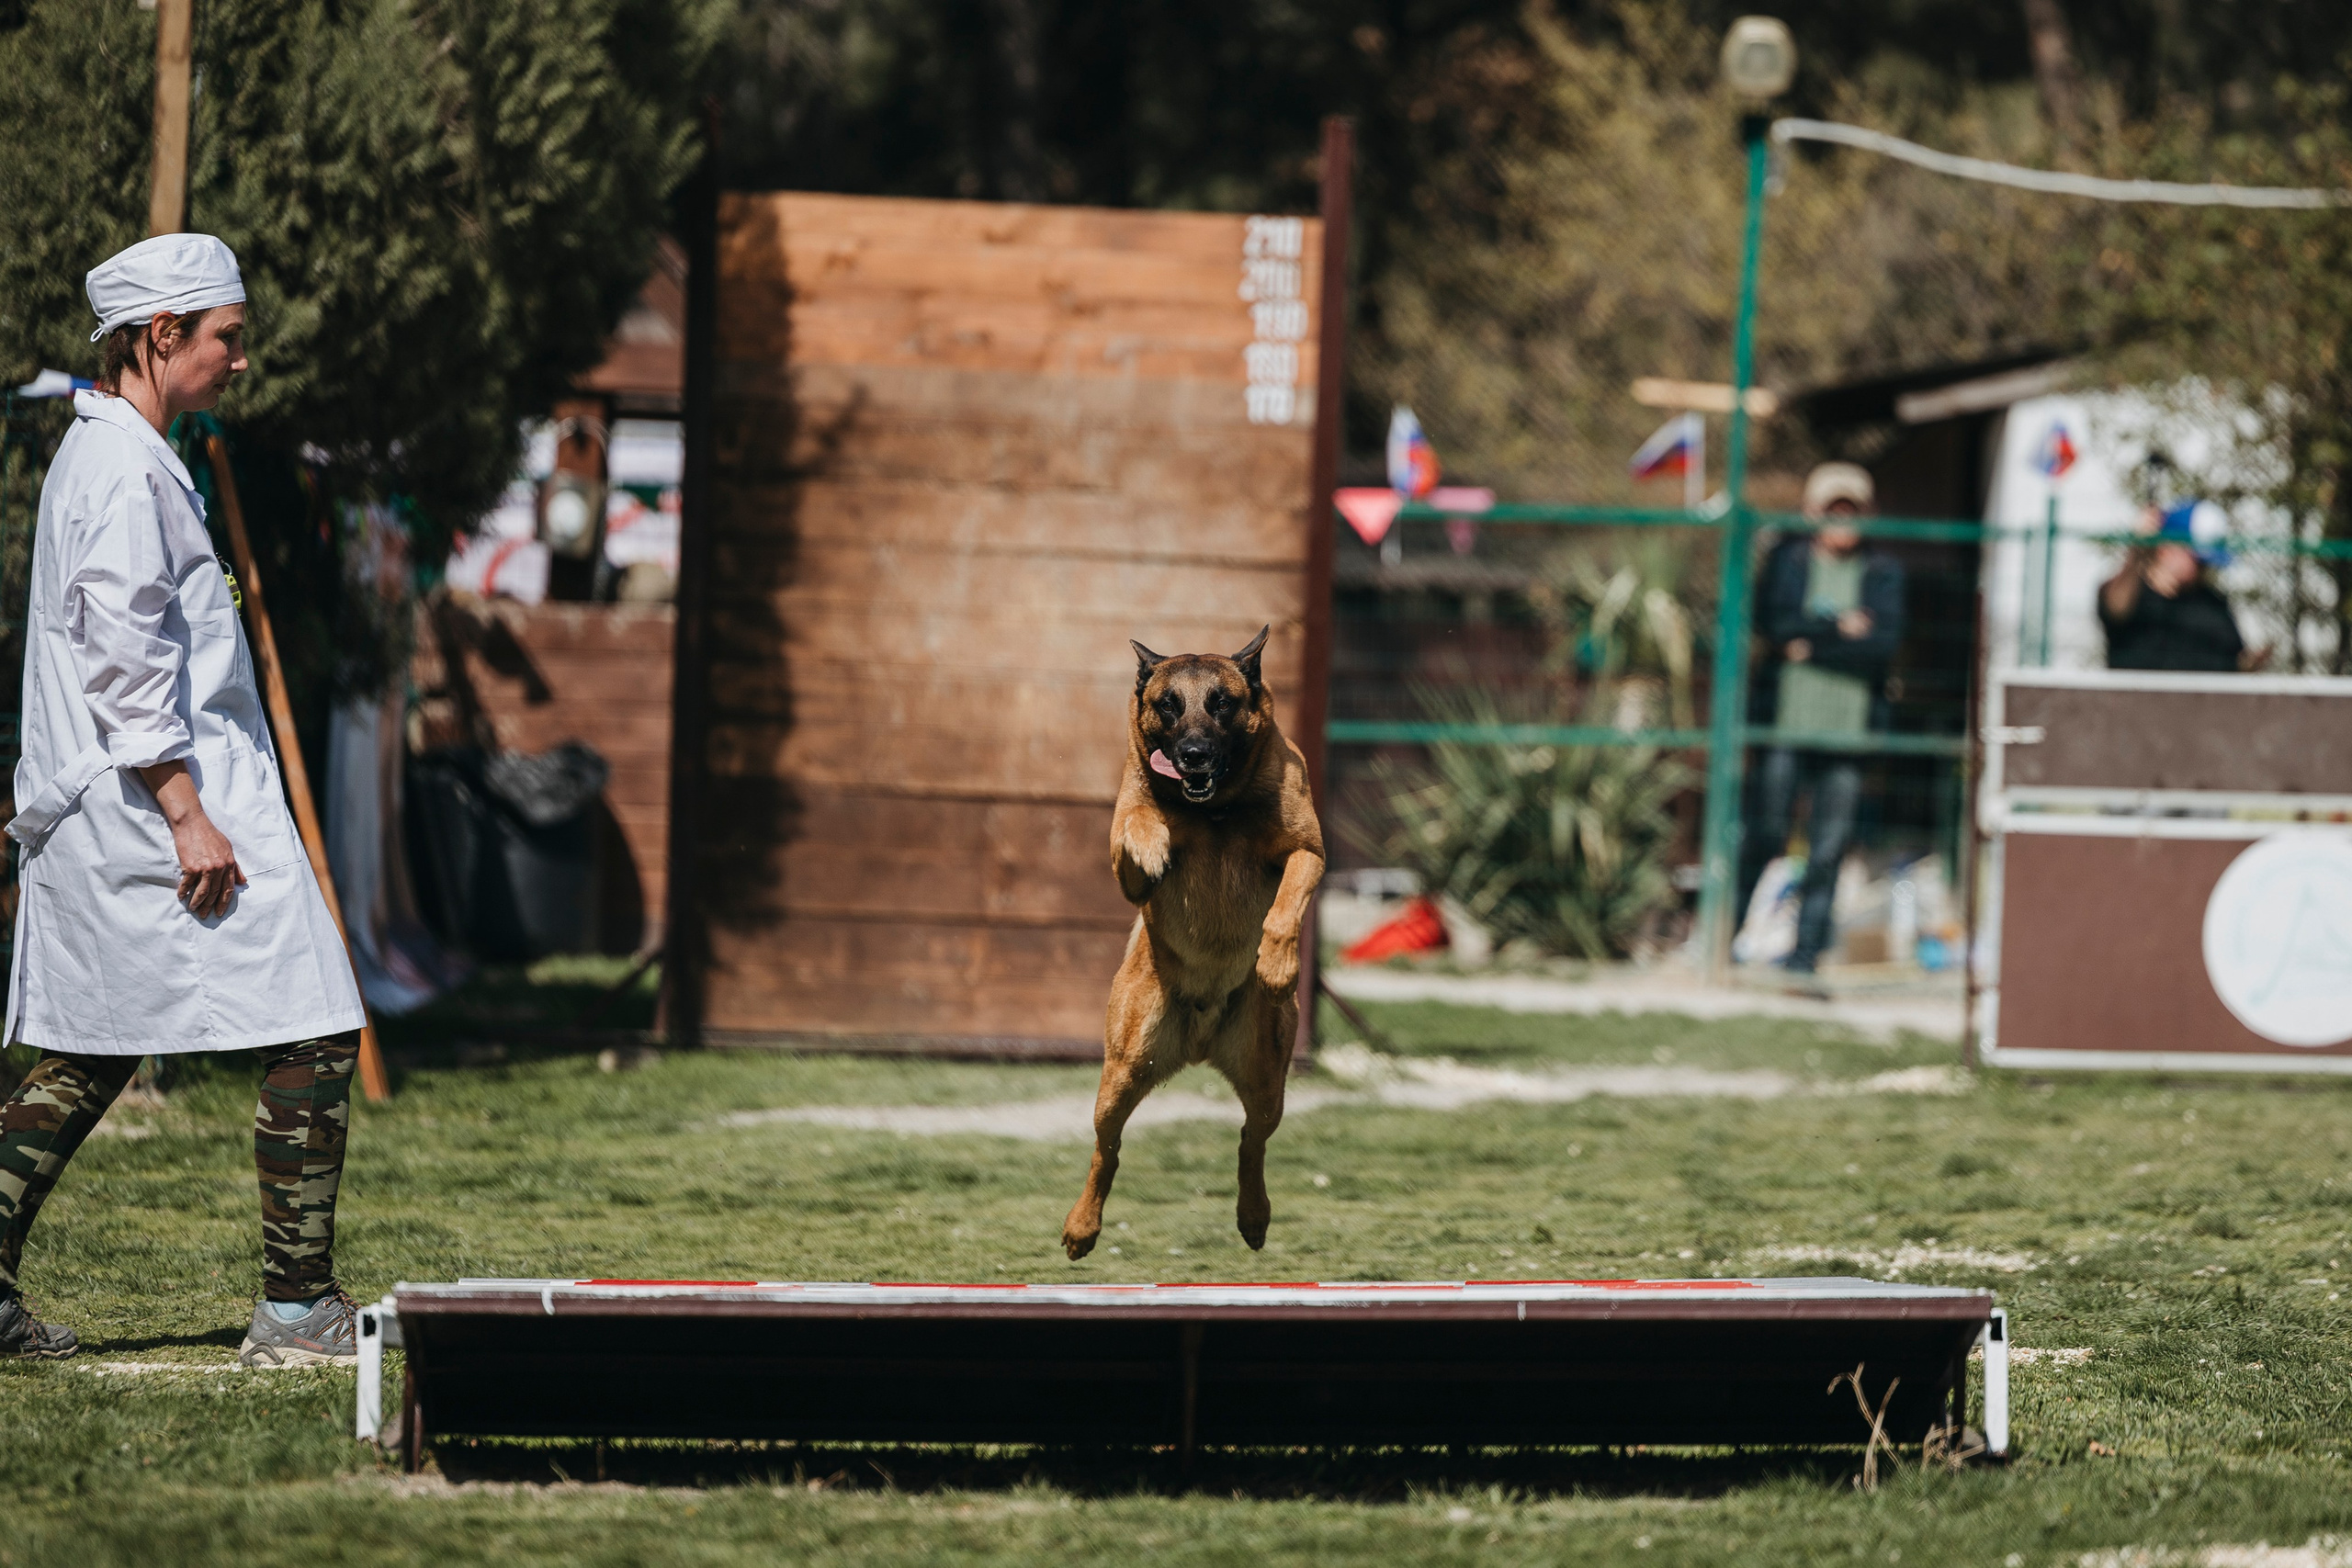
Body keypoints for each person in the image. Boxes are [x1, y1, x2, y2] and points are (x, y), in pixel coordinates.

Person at [0, 235, 368, 1365]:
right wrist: (186, 813)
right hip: (155, 809)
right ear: (162, 337)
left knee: (92, 1050)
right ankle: (296, 1309)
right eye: (226, 338)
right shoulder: (119, 470)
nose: (240, 360)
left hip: (136, 807)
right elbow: (121, 655)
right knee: (314, 1022)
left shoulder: (124, 454)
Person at [1735, 462, 1905, 986]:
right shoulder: (1786, 561)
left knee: (1828, 849)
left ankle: (1805, 956)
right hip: (1783, 727)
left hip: (1849, 733)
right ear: (1812, 513)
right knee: (1765, 833)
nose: (1842, 521)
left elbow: (1882, 645)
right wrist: (1840, 627)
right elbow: (1773, 623)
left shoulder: (1883, 572)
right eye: (1834, 511)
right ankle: (1727, 939)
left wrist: (1811, 644)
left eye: (1852, 511)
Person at [2098, 501, 2249, 671]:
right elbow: (2115, 607)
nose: (2203, 569)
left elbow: (2233, 662)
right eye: (2197, 560)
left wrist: (2245, 667)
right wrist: (2137, 549)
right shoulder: (2131, 594)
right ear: (2166, 547)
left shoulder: (2213, 606)